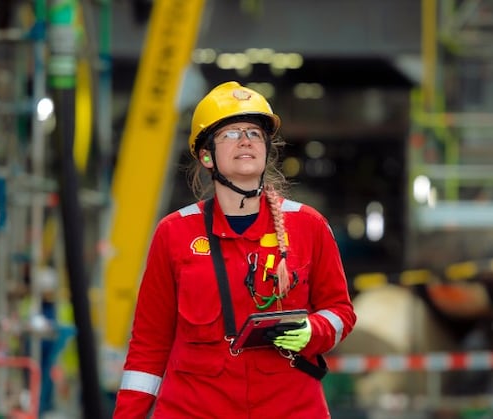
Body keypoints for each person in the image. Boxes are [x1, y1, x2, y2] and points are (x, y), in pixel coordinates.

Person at [113, 81, 357, 418]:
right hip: (194, 409)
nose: (245, 140)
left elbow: (340, 311)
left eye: (254, 133)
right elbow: (148, 346)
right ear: (206, 155)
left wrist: (312, 331)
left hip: (289, 407)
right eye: (230, 133)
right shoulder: (175, 232)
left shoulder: (308, 226)